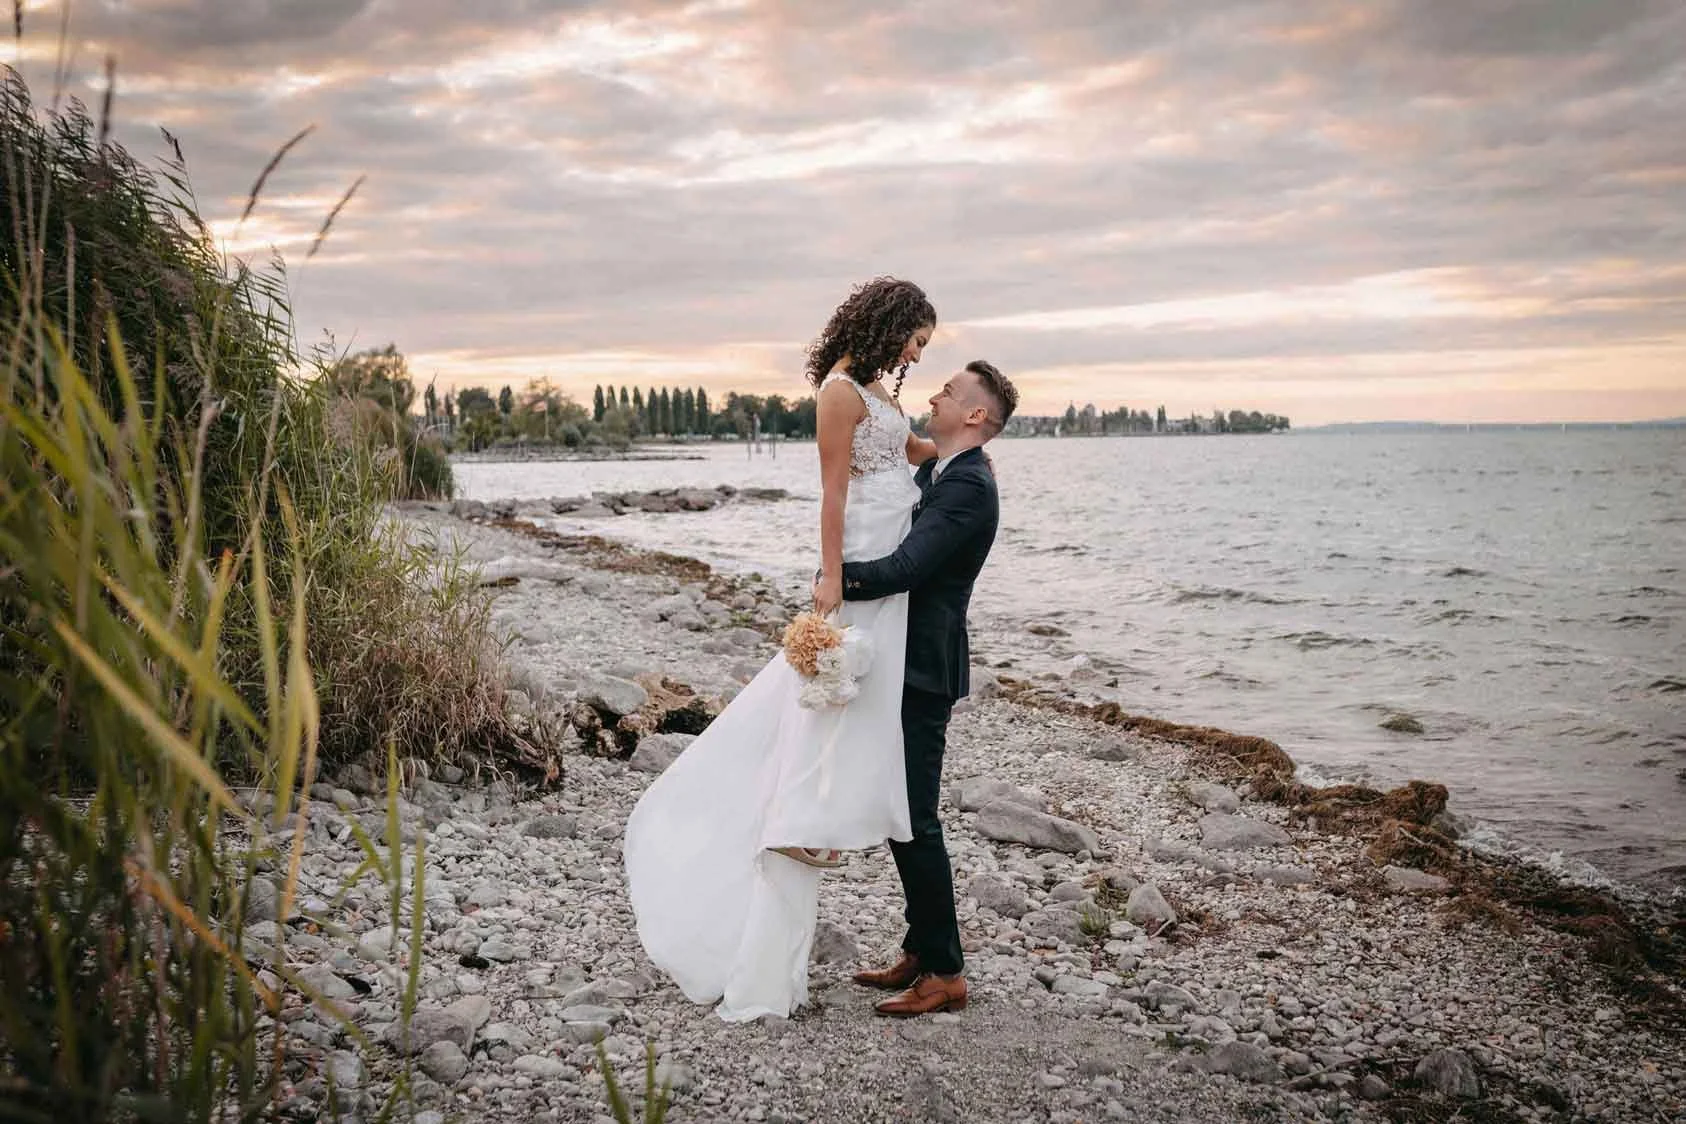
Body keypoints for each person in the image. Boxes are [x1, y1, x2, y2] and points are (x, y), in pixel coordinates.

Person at [622, 277, 938, 1021]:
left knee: (855, 703)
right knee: (827, 701)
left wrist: (968, 450)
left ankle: (827, 818)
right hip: (862, 561)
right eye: (916, 339)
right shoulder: (839, 392)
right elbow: (834, 492)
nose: (917, 355)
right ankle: (799, 824)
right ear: (889, 323)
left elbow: (917, 452)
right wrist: (830, 577)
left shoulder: (880, 394)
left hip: (895, 570)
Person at [839, 360, 1019, 1017]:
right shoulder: (940, 471)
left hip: (923, 669)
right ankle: (920, 948)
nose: (936, 394)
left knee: (915, 818)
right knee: (900, 810)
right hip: (901, 659)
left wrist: (835, 575)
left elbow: (908, 566)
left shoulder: (970, 486)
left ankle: (946, 973)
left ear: (975, 414)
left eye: (949, 391)